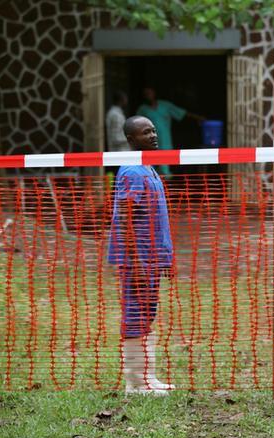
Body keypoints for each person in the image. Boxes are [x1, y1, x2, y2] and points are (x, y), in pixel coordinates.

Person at [108, 116, 175, 395]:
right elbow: (124, 218)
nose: (153, 135)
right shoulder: (132, 171)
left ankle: (148, 377)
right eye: (146, 132)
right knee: (135, 314)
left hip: (153, 258)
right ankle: (135, 383)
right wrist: (134, 260)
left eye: (154, 130)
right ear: (131, 139)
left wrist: (166, 258)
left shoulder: (149, 168)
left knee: (147, 313)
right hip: (137, 259)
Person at [136, 86, 205, 175]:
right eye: (146, 94)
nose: (148, 95)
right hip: (149, 143)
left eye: (149, 93)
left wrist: (198, 118)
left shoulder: (165, 105)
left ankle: (165, 187)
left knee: (165, 170)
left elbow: (181, 113)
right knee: (149, 171)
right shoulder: (142, 109)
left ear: (154, 93)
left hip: (165, 142)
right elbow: (136, 125)